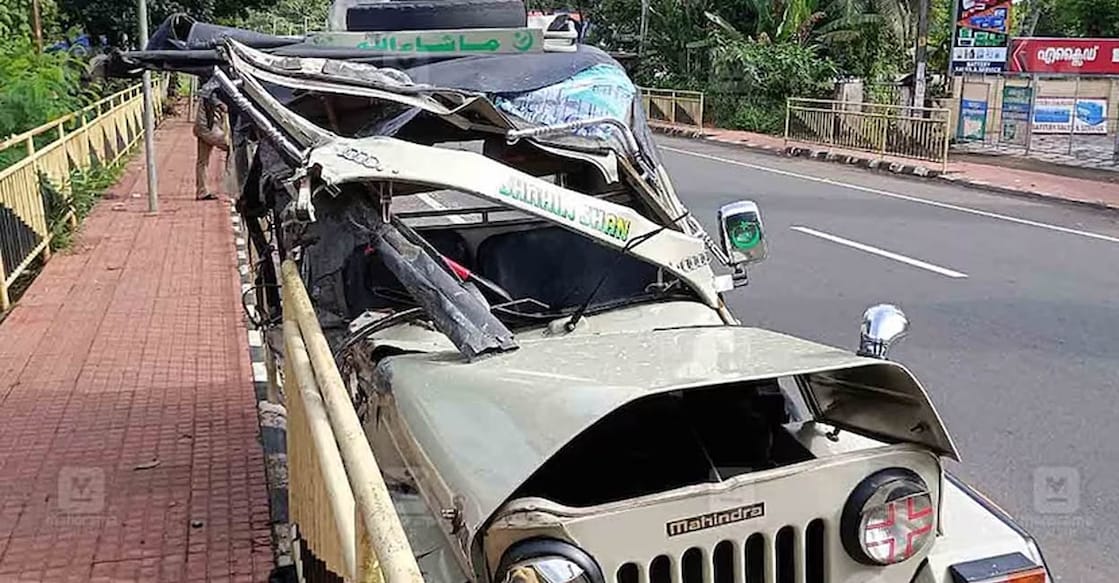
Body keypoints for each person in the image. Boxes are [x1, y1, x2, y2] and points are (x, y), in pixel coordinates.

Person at [194, 93, 229, 200]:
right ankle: (234, 187)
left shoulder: (206, 92)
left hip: (201, 128)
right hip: (209, 130)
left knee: (202, 161)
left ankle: (202, 191)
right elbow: (224, 108)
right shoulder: (212, 94)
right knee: (233, 149)